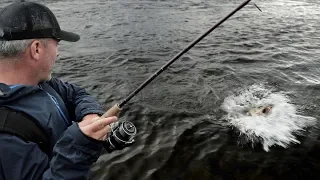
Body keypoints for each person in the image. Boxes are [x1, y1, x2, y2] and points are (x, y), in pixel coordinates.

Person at [0, 1, 118, 179]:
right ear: (36, 49)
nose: (59, 53)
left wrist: (90, 115)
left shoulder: (39, 82)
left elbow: (75, 93)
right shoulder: (6, 136)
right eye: (57, 44)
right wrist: (78, 147)